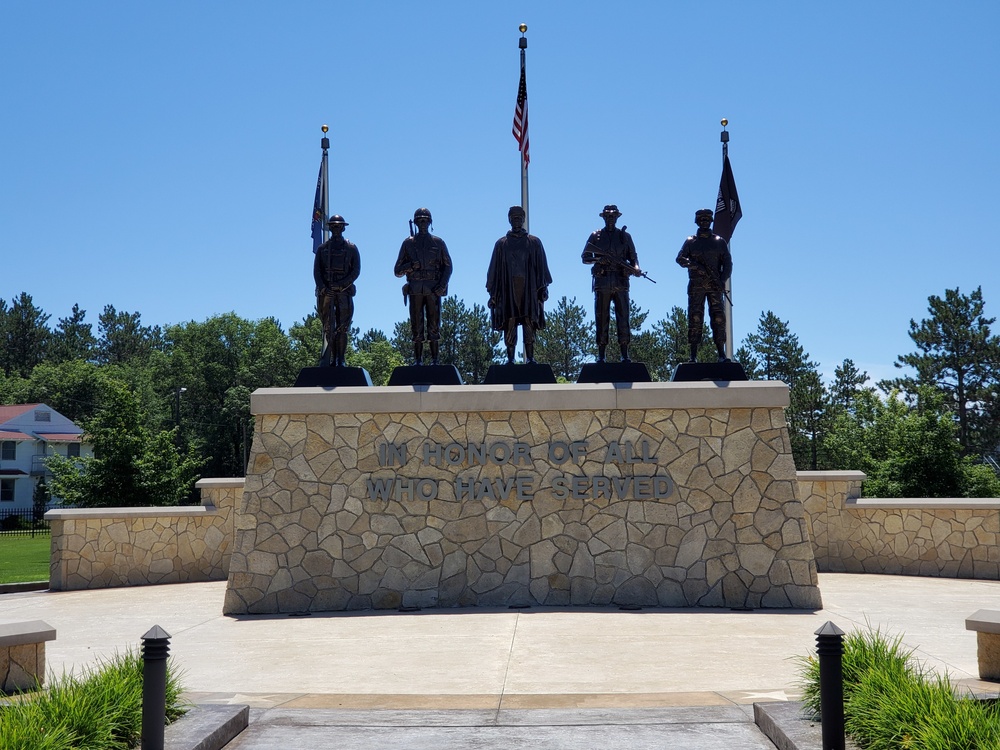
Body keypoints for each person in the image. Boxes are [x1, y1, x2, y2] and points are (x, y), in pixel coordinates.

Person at [486, 206, 552, 364]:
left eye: (519, 218)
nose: (517, 221)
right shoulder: (501, 244)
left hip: (528, 289)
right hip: (508, 290)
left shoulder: (534, 242)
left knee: (529, 321)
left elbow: (542, 267)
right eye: (513, 218)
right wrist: (493, 294)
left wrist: (543, 288)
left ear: (524, 220)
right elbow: (493, 271)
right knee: (510, 321)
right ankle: (510, 358)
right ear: (509, 220)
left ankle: (530, 357)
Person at [582, 204, 641, 363]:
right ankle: (601, 354)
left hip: (621, 281)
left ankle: (624, 354)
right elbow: (585, 257)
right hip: (603, 281)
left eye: (613, 216)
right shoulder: (596, 236)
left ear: (617, 218)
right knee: (602, 318)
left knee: (623, 318)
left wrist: (635, 269)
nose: (610, 219)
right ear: (603, 217)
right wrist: (599, 260)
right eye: (608, 216)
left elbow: (634, 259)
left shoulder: (625, 237)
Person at [393, 208, 453, 365]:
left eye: (425, 220)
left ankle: (435, 360)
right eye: (419, 220)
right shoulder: (408, 243)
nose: (423, 223)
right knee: (416, 325)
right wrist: (411, 266)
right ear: (415, 222)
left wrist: (442, 284)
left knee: (434, 325)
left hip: (433, 289)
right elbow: (397, 271)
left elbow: (448, 266)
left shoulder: (438, 243)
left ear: (430, 222)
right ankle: (418, 360)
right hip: (415, 289)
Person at [676, 208, 733, 362]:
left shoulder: (719, 242)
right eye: (701, 219)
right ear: (696, 221)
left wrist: (722, 280)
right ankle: (693, 355)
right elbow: (680, 259)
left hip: (714, 285)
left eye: (707, 219)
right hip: (696, 285)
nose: (704, 222)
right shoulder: (690, 242)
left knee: (718, 318)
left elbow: (727, 263)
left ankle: (721, 353)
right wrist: (695, 266)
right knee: (695, 318)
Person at [314, 214, 361, 367]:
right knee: (328, 326)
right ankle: (331, 358)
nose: (336, 228)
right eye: (333, 226)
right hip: (326, 292)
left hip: (344, 291)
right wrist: (324, 288)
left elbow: (356, 271)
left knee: (342, 327)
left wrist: (341, 285)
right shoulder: (323, 249)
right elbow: (317, 271)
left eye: (338, 226)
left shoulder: (351, 248)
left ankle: (340, 359)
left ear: (343, 228)